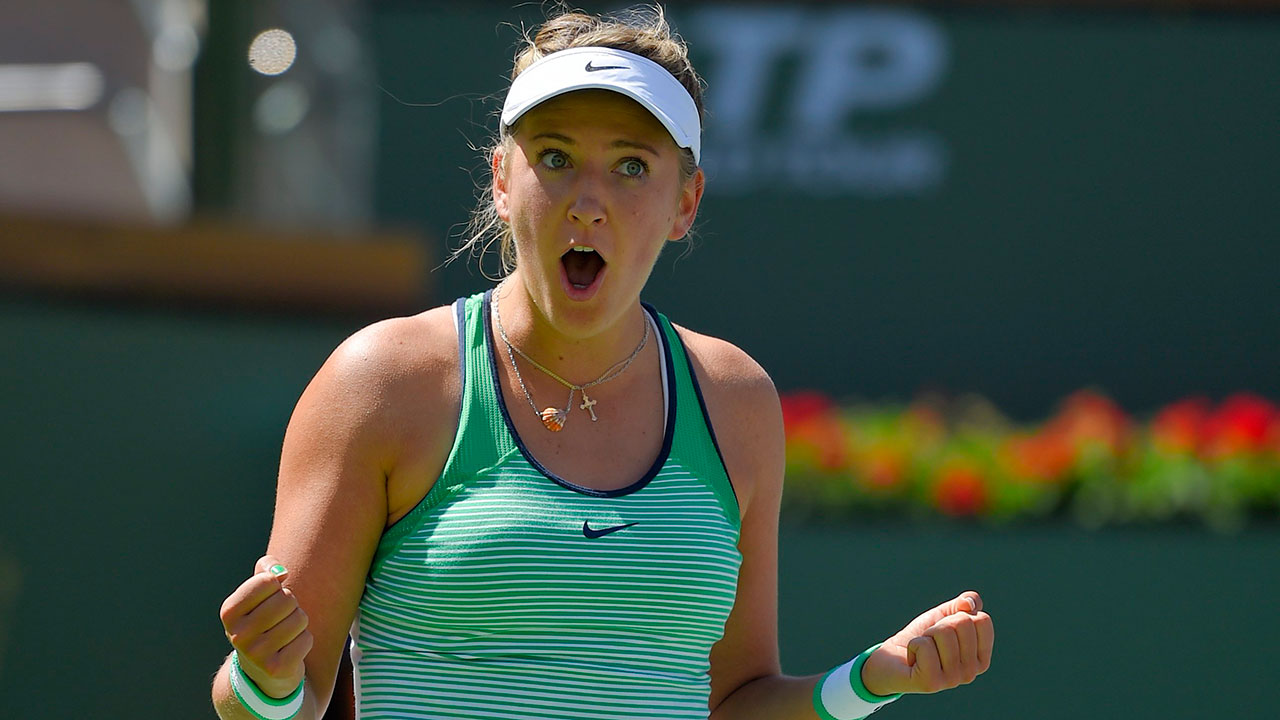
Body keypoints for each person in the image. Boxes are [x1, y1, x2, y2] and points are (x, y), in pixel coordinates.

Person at [212, 6, 994, 720]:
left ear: (685, 202)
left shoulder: (735, 401)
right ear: (502, 180)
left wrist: (868, 680)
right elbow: (282, 697)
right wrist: (266, 681)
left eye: (631, 167)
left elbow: (736, 701)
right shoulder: (384, 381)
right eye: (555, 158)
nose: (588, 201)